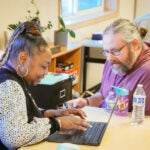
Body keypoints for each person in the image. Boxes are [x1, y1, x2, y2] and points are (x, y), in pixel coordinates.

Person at [0, 21, 91, 150]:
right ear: (23, 58)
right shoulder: (9, 85)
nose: (46, 72)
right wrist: (57, 123)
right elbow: (13, 137)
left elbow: (22, 114)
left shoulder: (13, 77)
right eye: (43, 66)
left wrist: (53, 113)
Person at [68, 18, 150, 115]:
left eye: (115, 51)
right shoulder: (114, 61)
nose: (109, 58)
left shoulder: (146, 71)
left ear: (135, 45)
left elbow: (144, 122)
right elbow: (103, 95)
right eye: (106, 52)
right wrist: (86, 102)